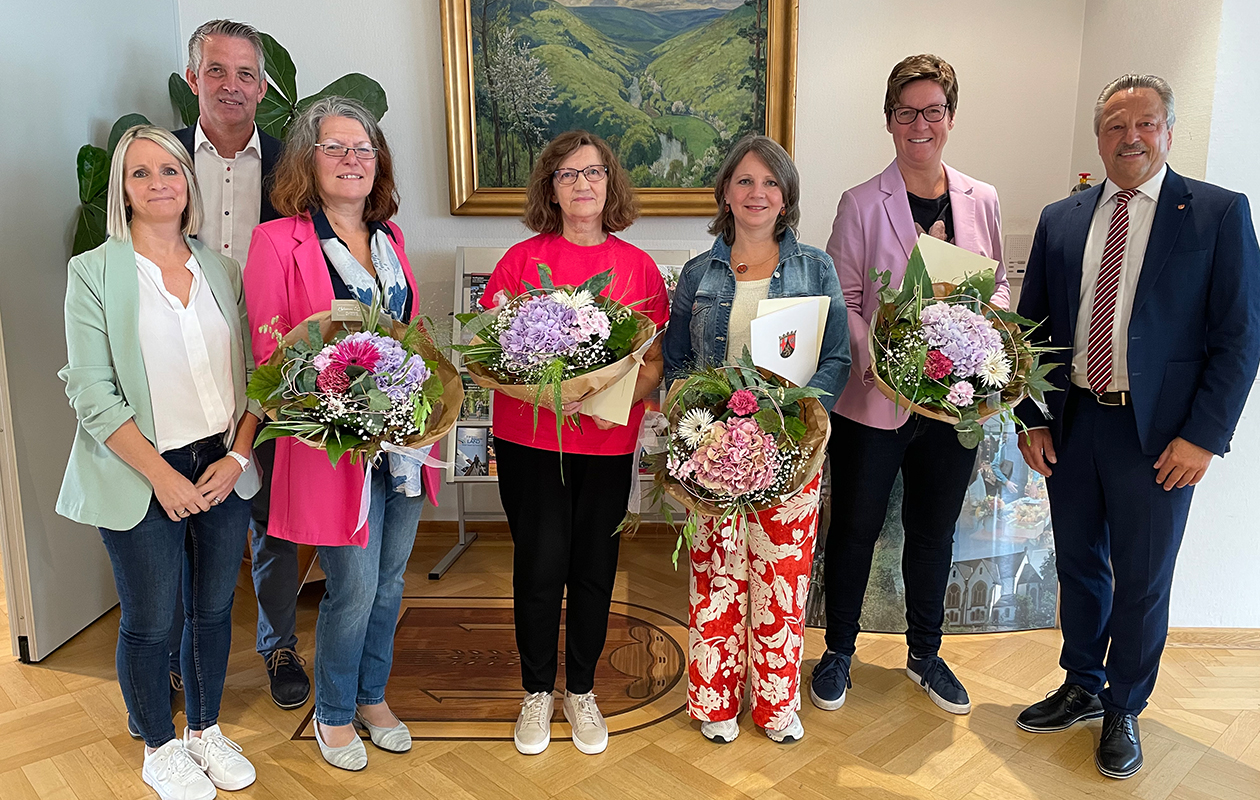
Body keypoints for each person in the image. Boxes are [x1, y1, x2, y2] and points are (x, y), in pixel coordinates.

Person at [1014, 74, 1260, 780]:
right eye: (1116, 125)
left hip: (1160, 437)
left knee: (1145, 580)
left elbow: (1239, 337)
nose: (1131, 136)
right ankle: (1082, 685)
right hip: (1074, 423)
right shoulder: (1062, 219)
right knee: (1079, 565)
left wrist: (1205, 436)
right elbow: (1031, 330)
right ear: (1098, 137)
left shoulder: (1215, 214)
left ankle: (1125, 705)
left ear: (1168, 132)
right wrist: (1031, 418)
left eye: (1146, 123)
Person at [57, 125, 259, 800]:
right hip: (141, 468)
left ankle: (204, 730)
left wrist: (237, 455)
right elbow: (89, 389)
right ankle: (159, 744)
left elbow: (257, 375)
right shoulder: (94, 271)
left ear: (188, 182)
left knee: (210, 611)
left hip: (222, 464)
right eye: (140, 173)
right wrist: (161, 475)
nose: (158, 183)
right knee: (152, 619)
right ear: (123, 188)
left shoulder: (221, 269)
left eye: (169, 170)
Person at [244, 97, 439, 771]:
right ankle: (332, 712)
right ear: (309, 158)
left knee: (390, 583)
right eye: (336, 147)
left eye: (364, 149)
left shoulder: (393, 237)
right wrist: (338, 402)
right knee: (352, 587)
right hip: (334, 449)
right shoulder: (277, 241)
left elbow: (407, 334)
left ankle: (371, 695)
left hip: (403, 444)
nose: (352, 159)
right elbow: (271, 357)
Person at [815, 54, 1009, 716]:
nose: (918, 124)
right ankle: (839, 649)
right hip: (874, 402)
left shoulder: (981, 199)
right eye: (906, 113)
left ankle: (926, 654)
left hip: (955, 404)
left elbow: (998, 282)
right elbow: (842, 298)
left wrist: (997, 335)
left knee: (934, 533)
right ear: (890, 121)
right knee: (856, 528)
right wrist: (876, 356)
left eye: (931, 111)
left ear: (950, 119)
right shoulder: (860, 203)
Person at [478, 130, 669, 757]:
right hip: (531, 440)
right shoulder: (518, 262)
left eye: (592, 173)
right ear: (550, 188)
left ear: (609, 183)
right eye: (567, 175)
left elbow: (653, 363)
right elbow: (496, 356)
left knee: (594, 568)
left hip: (608, 444)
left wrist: (611, 395)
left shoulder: (637, 267)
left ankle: (580, 690)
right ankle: (538, 691)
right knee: (539, 565)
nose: (582, 184)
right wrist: (555, 392)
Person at [664, 134, 851, 744]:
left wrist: (790, 424)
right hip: (712, 452)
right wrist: (704, 428)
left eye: (770, 182)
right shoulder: (698, 273)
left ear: (786, 195)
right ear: (725, 192)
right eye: (745, 181)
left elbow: (835, 360)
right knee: (717, 574)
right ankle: (714, 702)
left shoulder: (814, 266)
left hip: (792, 452)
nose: (757, 193)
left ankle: (774, 705)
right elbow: (677, 363)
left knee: (783, 578)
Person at [168, 18, 309, 718]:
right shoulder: (157, 161)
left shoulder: (292, 168)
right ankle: (174, 659)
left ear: (262, 86)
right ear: (193, 79)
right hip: (179, 375)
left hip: (270, 374)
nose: (231, 85)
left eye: (245, 74)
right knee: (181, 516)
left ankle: (278, 643)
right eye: (216, 71)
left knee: (273, 519)